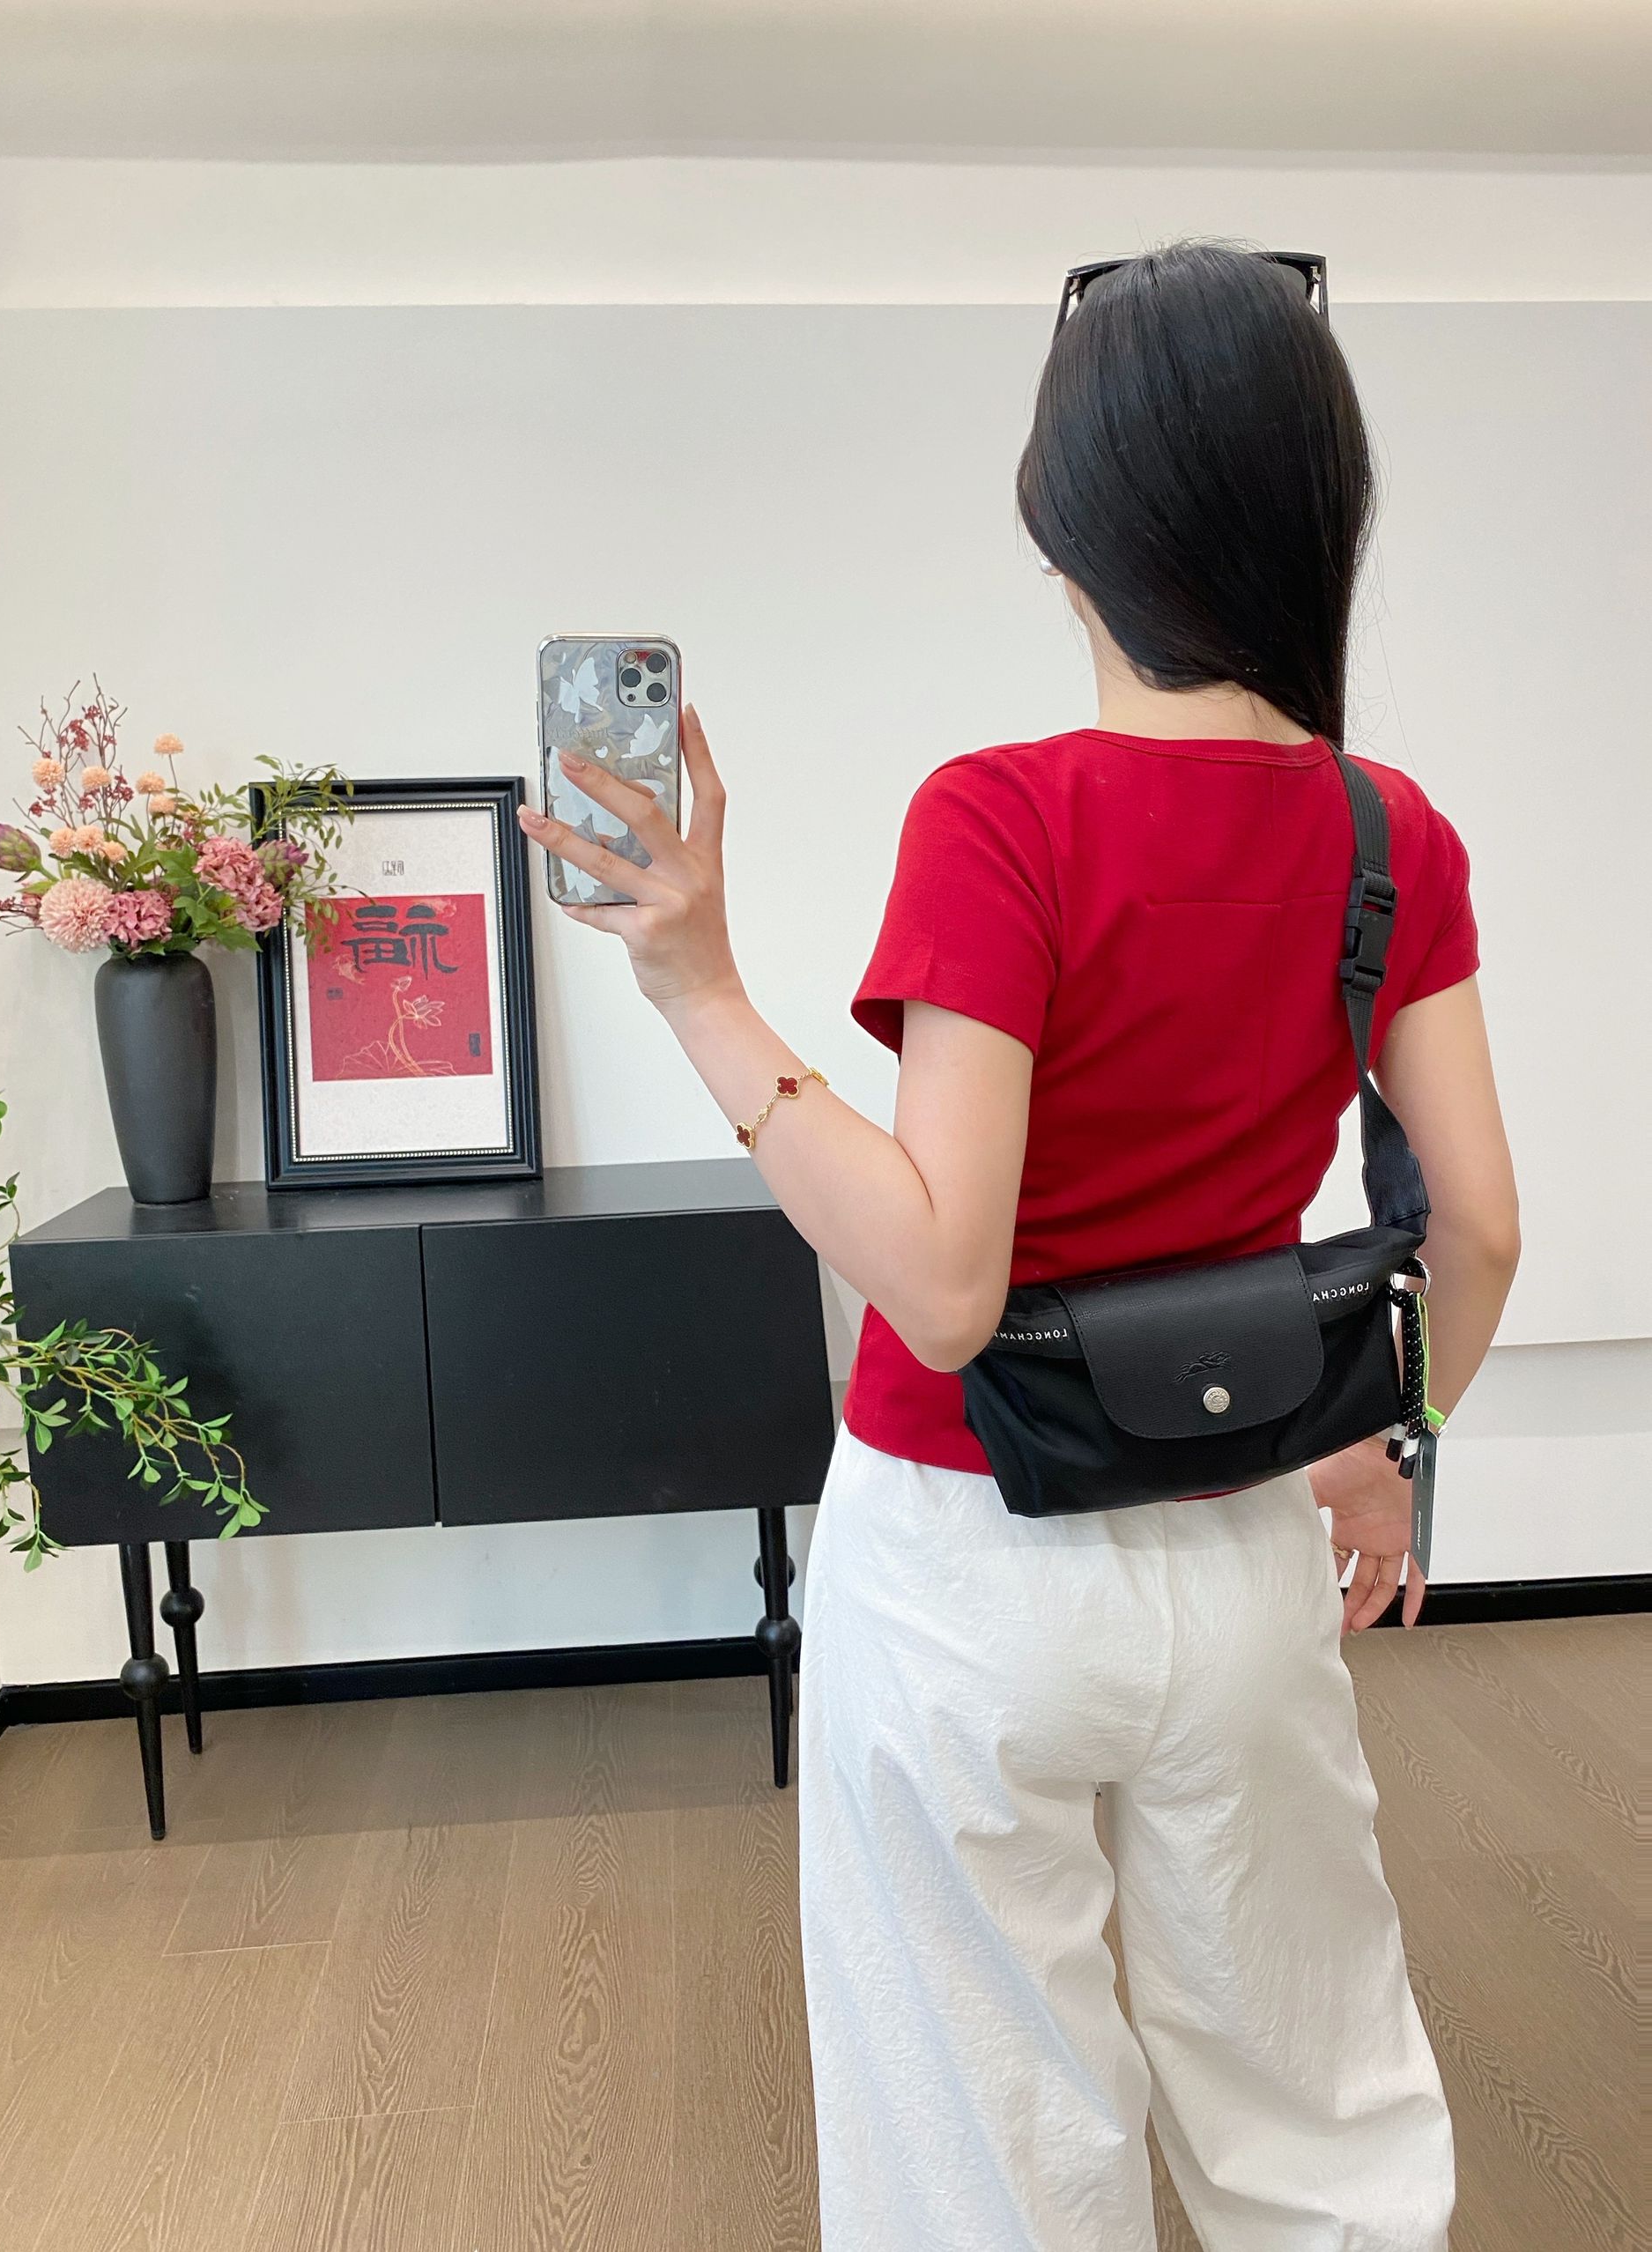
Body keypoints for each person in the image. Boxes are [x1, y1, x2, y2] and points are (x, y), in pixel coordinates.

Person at [516, 240, 1520, 2252]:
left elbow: (942, 1279)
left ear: (1060, 525)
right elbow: (1478, 1228)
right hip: (1241, 1550)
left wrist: (696, 988)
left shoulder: (1001, 817)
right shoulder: (1387, 833)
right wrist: (1373, 1447)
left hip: (967, 1556)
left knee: (979, 2140)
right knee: (1312, 2109)